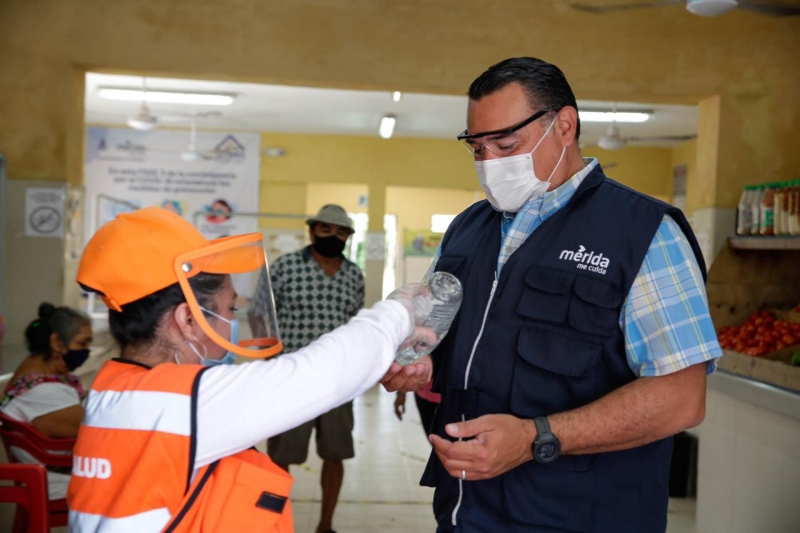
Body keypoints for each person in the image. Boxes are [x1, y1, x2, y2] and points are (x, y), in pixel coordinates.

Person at [381, 57, 722, 533]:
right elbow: (445, 336)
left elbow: (681, 399)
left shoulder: (644, 234)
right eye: (477, 149)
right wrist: (423, 362)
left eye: (506, 145)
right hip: (465, 512)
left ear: (564, 126)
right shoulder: (466, 229)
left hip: (582, 517)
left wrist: (534, 437)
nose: (490, 163)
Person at [67, 207, 428, 532]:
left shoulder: (116, 388)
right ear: (188, 319)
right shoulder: (185, 405)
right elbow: (325, 373)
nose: (231, 321)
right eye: (230, 309)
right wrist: (400, 310)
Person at [251, 203, 363, 533]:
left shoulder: (354, 275)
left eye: (340, 232)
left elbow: (356, 324)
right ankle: (276, 525)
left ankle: (325, 525)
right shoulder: (286, 267)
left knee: (335, 453)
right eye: (325, 229)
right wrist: (271, 360)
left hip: (338, 380)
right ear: (312, 230)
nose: (332, 236)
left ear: (347, 237)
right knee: (281, 457)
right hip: (292, 377)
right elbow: (259, 313)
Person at [1, 302, 92, 500]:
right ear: (57, 343)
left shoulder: (30, 380)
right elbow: (95, 429)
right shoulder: (43, 393)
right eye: (82, 344)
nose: (87, 351)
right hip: (60, 479)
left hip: (57, 472)